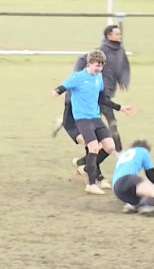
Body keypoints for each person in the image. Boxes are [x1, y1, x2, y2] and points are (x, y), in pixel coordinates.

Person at [52, 50, 135, 195]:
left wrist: (120, 108)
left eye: (101, 66)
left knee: (110, 146)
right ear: (89, 63)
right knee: (94, 148)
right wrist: (56, 91)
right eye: (97, 66)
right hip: (82, 119)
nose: (99, 69)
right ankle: (91, 184)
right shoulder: (78, 77)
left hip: (95, 118)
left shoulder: (99, 78)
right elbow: (63, 87)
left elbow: (102, 99)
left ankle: (85, 168)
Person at [55, 25, 131, 174]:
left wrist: (123, 80)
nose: (120, 36)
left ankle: (85, 162)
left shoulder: (120, 52)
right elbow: (81, 65)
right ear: (109, 35)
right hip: (93, 96)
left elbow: (124, 68)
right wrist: (79, 81)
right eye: (117, 34)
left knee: (102, 128)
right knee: (107, 125)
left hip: (105, 94)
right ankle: (115, 155)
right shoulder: (99, 52)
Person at [111, 140, 154, 217]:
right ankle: (147, 205)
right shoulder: (143, 151)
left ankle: (133, 205)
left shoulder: (125, 154)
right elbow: (151, 174)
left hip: (117, 189)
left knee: (142, 196)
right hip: (127, 179)